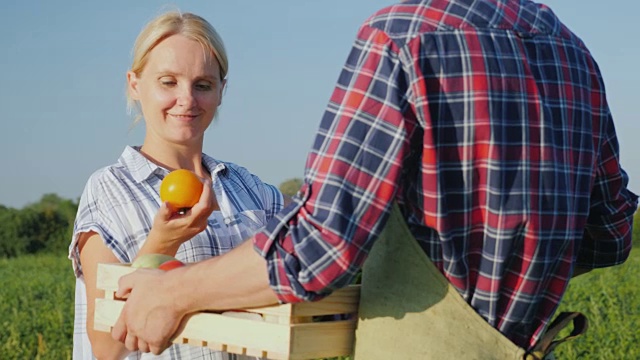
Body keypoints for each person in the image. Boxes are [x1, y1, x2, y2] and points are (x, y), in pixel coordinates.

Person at [110, 0, 638, 358]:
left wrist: (174, 291)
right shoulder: (573, 53)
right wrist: (509, 275)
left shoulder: (402, 37)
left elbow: (320, 245)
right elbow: (612, 235)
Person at [68, 10, 287, 360]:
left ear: (221, 91)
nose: (187, 99)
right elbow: (107, 348)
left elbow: (307, 256)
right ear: (135, 84)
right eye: (168, 82)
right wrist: (162, 244)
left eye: (203, 85)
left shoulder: (251, 190)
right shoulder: (109, 189)